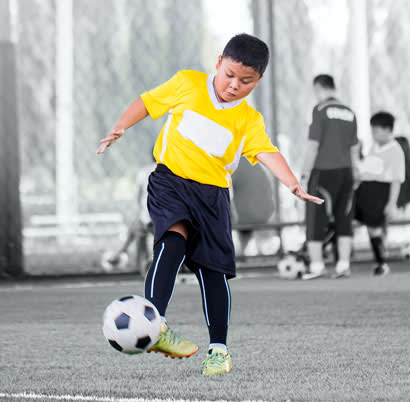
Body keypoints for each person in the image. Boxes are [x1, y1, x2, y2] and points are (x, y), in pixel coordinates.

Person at [97, 33, 323, 376]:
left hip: (213, 196)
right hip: (170, 180)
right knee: (173, 240)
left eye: (246, 81)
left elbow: (267, 152)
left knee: (212, 271)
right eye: (229, 74)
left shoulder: (248, 120)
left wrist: (292, 183)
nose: (234, 85)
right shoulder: (188, 83)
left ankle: (219, 350)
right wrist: (120, 126)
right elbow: (147, 101)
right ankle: (155, 323)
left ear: (258, 80)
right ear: (218, 63)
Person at [301, 74, 359, 280]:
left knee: (316, 218)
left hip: (323, 172)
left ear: (319, 88)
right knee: (344, 218)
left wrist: (304, 173)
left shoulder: (320, 110)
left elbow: (313, 145)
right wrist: (356, 172)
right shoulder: (350, 112)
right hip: (347, 173)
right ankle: (343, 265)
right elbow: (354, 147)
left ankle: (317, 266)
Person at [355, 112, 405, 276]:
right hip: (364, 190)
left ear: (387, 130)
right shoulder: (374, 147)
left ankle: (381, 263)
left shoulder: (396, 151)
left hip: (379, 192)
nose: (373, 134)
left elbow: (396, 179)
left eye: (376, 131)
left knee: (374, 228)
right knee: (367, 226)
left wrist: (391, 203)